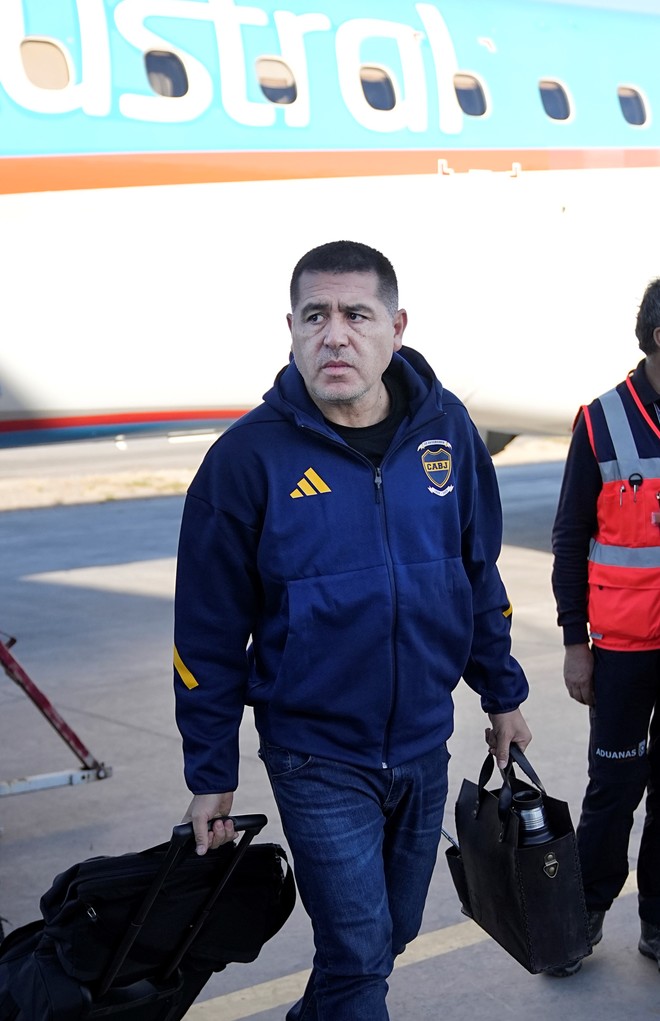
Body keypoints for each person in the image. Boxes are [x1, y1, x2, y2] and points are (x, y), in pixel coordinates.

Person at [173, 240, 531, 1019]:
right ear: (291, 330)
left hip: (423, 741)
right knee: (361, 951)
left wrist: (502, 694)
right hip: (317, 754)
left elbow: (477, 573)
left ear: (396, 328)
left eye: (357, 315)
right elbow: (205, 634)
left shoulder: (448, 431)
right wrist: (211, 771)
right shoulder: (246, 460)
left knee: (389, 934)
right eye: (316, 316)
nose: (335, 334)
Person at [550, 277, 660, 978]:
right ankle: (582, 916)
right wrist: (574, 642)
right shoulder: (602, 421)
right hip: (622, 647)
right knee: (613, 788)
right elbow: (570, 538)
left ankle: (659, 921)